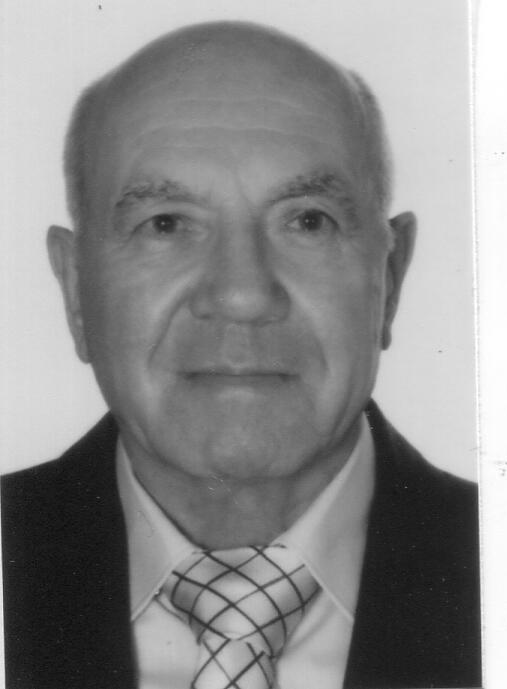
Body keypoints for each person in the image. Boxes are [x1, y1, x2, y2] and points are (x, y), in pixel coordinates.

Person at [1, 21, 481, 689]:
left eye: (308, 220)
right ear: (77, 290)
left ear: (390, 280)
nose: (242, 294)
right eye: (166, 223)